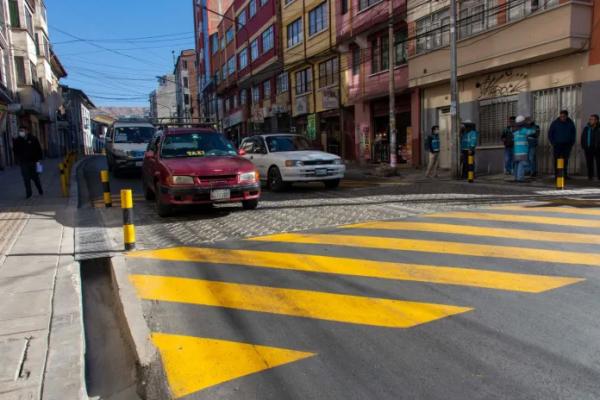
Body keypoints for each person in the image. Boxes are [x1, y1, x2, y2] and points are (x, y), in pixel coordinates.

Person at [13, 128, 44, 199]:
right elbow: (15, 151)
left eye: (22, 131)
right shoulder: (17, 140)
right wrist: (18, 159)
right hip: (23, 163)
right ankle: (29, 194)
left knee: (36, 178)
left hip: (34, 161)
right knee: (26, 179)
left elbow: (38, 149)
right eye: (20, 131)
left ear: (27, 131)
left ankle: (40, 189)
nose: (21, 132)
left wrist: (39, 160)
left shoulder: (33, 139)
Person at [548, 110, 576, 178]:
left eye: (563, 116)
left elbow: (573, 133)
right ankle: (557, 175)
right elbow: (550, 133)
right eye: (561, 116)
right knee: (557, 160)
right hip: (557, 145)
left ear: (566, 116)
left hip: (567, 145)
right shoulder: (555, 123)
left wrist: (571, 143)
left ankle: (565, 174)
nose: (562, 118)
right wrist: (553, 143)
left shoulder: (570, 123)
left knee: (565, 160)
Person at [581, 114, 600, 180]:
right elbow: (583, 137)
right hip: (588, 148)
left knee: (599, 163)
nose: (590, 121)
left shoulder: (599, 128)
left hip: (597, 148)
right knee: (589, 163)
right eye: (590, 119)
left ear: (596, 120)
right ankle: (590, 176)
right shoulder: (586, 128)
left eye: (592, 119)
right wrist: (584, 146)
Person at [512, 116, 530, 182]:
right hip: (522, 150)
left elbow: (513, 139)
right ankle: (520, 178)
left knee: (516, 164)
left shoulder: (515, 131)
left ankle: (516, 177)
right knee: (521, 164)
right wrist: (529, 124)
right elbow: (532, 132)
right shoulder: (524, 130)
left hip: (516, 151)